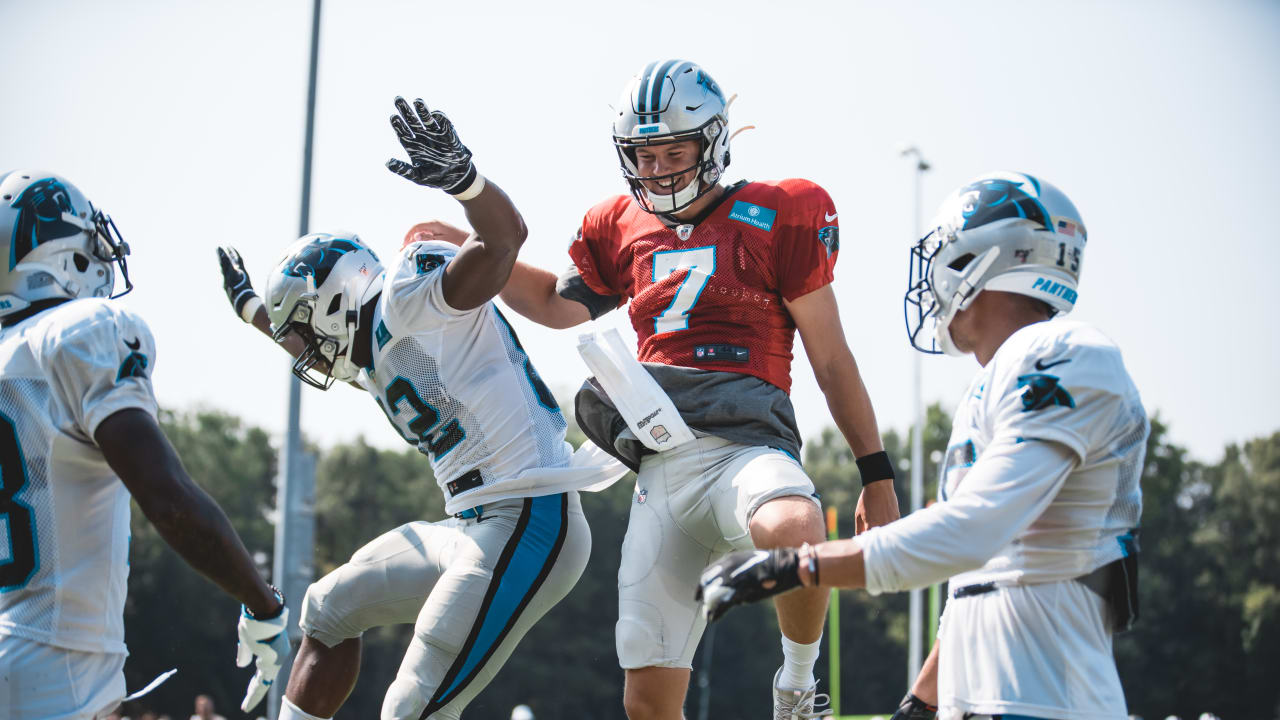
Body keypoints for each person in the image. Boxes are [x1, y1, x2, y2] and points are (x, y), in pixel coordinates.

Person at [408, 59, 899, 719]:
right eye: (645, 155)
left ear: (714, 142)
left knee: (797, 527)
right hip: (659, 463)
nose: (661, 169)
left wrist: (876, 473)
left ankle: (797, 686)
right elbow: (558, 303)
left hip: (747, 444)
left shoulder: (779, 212)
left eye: (675, 151)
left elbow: (832, 359)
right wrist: (480, 249)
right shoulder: (620, 224)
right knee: (647, 703)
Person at [217, 97, 623, 720]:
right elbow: (312, 339)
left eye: (305, 330)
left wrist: (466, 182)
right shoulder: (366, 351)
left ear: (334, 302)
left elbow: (503, 240)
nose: (307, 354)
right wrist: (251, 310)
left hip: (528, 519)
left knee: (412, 708)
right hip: (473, 524)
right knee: (327, 610)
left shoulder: (410, 297)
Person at [698, 172, 1147, 720]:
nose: (932, 276)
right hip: (984, 699)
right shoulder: (996, 381)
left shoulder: (1067, 352)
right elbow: (980, 577)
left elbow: (974, 530)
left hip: (1050, 700)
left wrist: (798, 566)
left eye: (945, 255)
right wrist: (924, 699)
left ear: (981, 260)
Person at [0, 170, 289, 720]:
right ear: (68, 255)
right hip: (56, 665)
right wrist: (263, 602)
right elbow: (168, 498)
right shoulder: (82, 331)